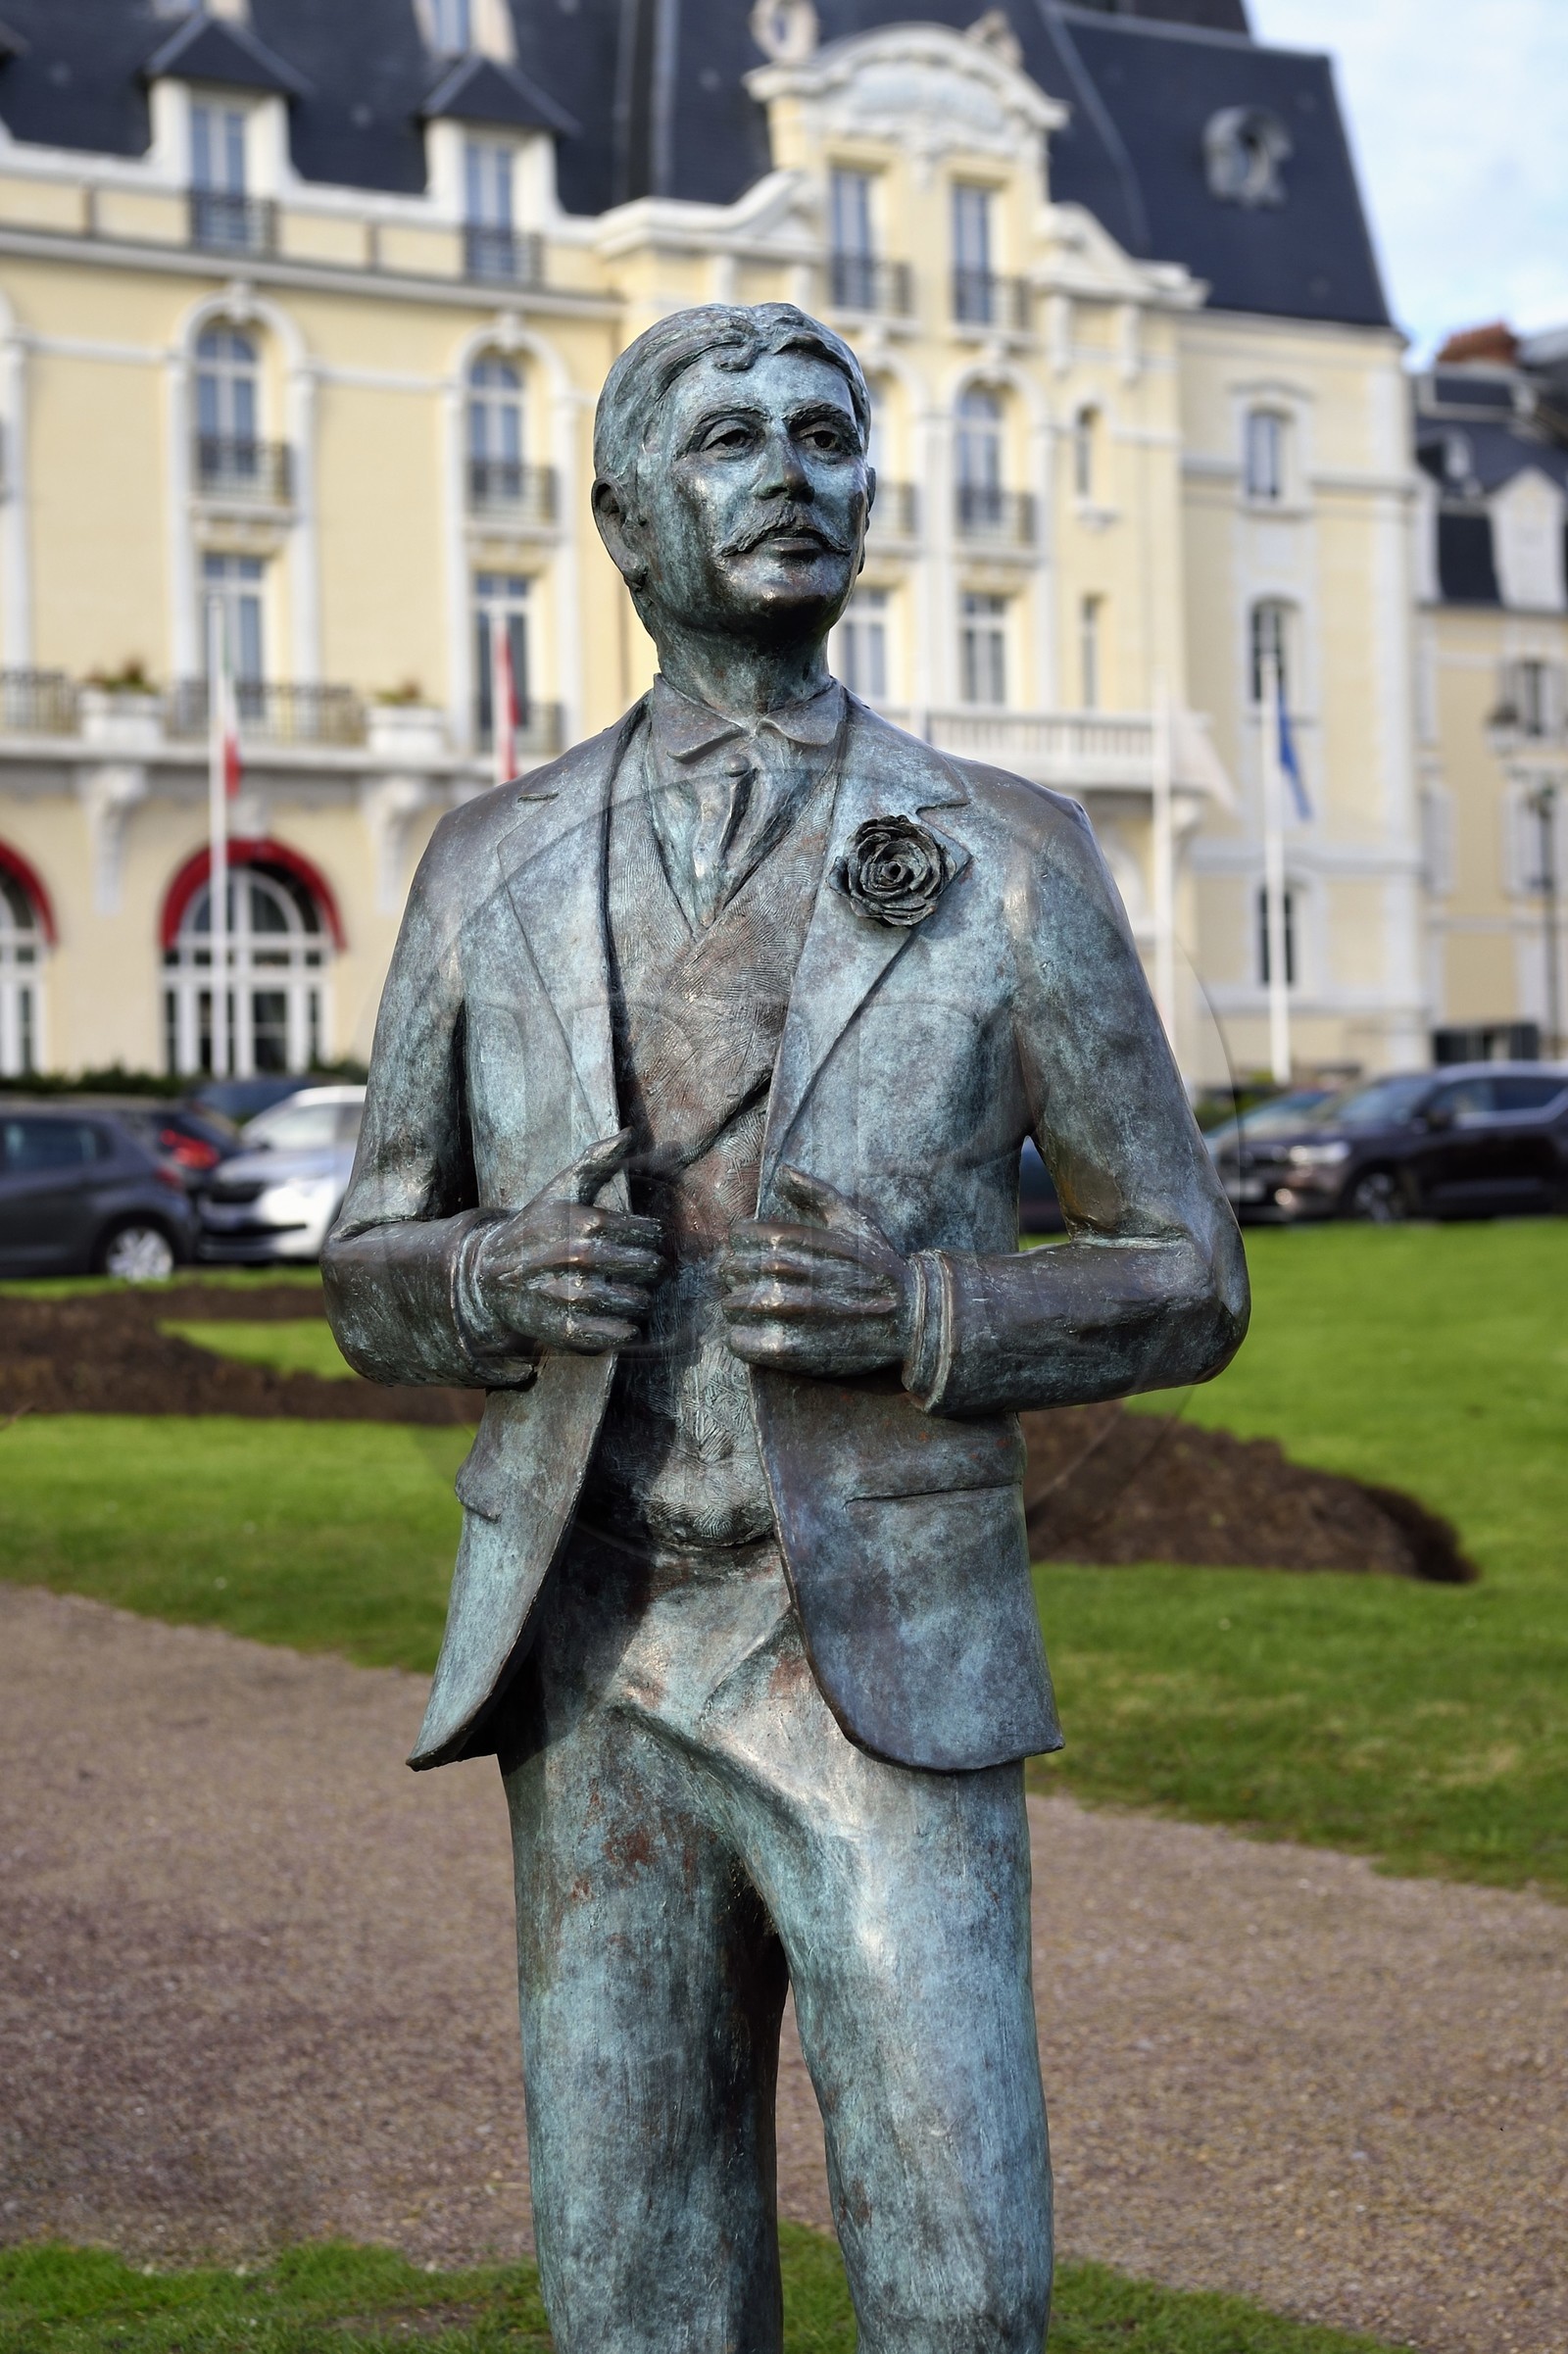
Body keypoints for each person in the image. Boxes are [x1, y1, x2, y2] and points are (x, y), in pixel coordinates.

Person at [322, 302, 1249, 2354]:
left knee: (959, 2271)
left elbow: (1186, 1268)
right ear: (619, 517)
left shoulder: (1004, 855)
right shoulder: (485, 869)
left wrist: (928, 1309)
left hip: (881, 1654)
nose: (790, 473)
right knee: (634, 2280)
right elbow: (366, 1260)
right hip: (594, 1653)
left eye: (827, 436)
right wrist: (482, 1278)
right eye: (731, 435)